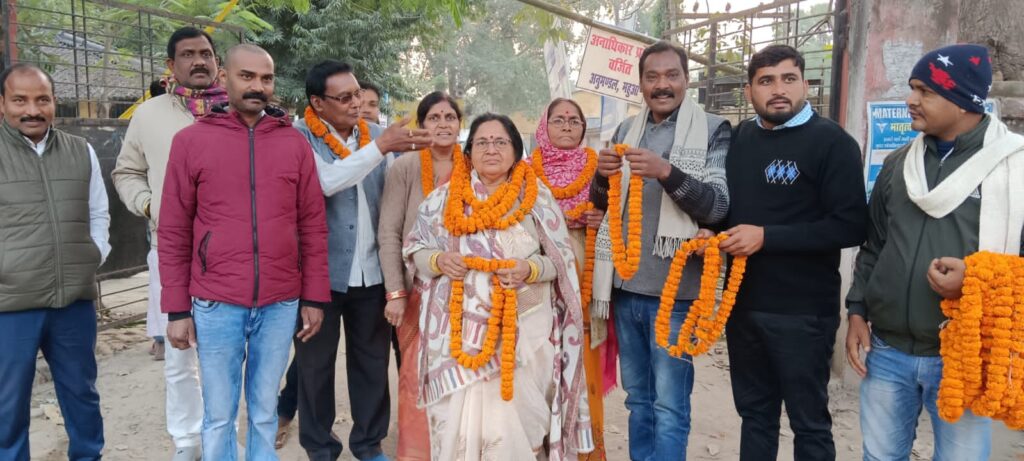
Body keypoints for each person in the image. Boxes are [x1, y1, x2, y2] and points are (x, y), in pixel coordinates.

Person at [846, 43, 1024, 460]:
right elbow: (874, 245)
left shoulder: (1014, 169)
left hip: (963, 354)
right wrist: (856, 311)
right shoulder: (898, 164)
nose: (910, 100)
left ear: (963, 101)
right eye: (912, 88)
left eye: (925, 90)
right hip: (887, 349)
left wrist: (975, 280)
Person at [159, 44, 331, 461]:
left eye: (266, 78)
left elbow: (312, 225)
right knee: (218, 415)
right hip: (216, 301)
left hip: (280, 301)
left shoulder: (293, 144)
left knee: (264, 411)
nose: (258, 86)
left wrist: (313, 296)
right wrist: (177, 309)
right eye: (247, 76)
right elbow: (174, 230)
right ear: (224, 78)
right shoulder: (191, 142)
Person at [403, 113, 593, 461]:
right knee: (461, 432)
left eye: (500, 142)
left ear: (516, 151)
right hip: (458, 340)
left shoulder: (537, 199)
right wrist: (439, 260)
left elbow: (562, 263)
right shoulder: (441, 200)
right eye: (482, 142)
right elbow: (415, 250)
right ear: (469, 152)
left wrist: (529, 268)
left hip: (525, 336)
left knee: (519, 425)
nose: (491, 149)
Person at [720, 44, 868, 461]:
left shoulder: (832, 143)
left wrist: (767, 237)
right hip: (743, 307)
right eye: (766, 81)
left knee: (809, 422)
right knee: (755, 416)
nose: (778, 90)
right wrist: (709, 232)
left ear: (805, 84)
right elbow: (728, 209)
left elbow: (851, 226)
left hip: (803, 313)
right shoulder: (739, 140)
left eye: (789, 79)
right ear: (750, 90)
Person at [589, 40, 730, 461]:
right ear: (641, 83)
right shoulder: (625, 131)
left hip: (677, 295)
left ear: (687, 79)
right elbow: (602, 205)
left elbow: (718, 206)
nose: (662, 85)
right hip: (625, 287)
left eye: (672, 75)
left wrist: (667, 172)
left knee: (669, 406)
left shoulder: (714, 128)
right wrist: (600, 176)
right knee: (638, 400)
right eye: (652, 77)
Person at [292, 60, 430, 461]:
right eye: (345, 98)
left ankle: (368, 444)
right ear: (317, 103)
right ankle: (320, 448)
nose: (356, 104)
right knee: (314, 367)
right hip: (319, 276)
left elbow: (397, 192)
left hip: (372, 272)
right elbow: (325, 182)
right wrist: (382, 147)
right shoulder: (298, 136)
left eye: (358, 95)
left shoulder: (375, 135)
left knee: (372, 364)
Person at [112, 26, 227, 461]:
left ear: (217, 61)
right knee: (179, 353)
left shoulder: (237, 112)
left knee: (229, 353)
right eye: (188, 54)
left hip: (229, 254)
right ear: (171, 64)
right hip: (171, 250)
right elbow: (127, 171)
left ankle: (222, 438)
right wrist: (149, 205)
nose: (199, 61)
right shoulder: (149, 114)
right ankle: (187, 441)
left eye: (206, 53)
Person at [0, 63, 110, 461]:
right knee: (8, 404)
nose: (32, 110)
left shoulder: (81, 150)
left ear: (53, 102)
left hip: (73, 302)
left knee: (82, 394)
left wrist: (94, 255)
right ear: (2, 104)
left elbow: (99, 212)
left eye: (42, 99)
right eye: (20, 100)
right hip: (10, 305)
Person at [379, 91, 463, 461]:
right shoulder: (406, 167)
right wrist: (395, 293)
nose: (443, 124)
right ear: (422, 123)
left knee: (462, 378)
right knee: (415, 376)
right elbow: (389, 232)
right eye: (434, 117)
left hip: (466, 292)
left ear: (460, 124)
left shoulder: (475, 164)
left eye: (450, 117)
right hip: (417, 291)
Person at [529, 97, 610, 460]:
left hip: (586, 271)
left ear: (583, 127)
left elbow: (622, 216)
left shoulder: (599, 169)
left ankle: (586, 451)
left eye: (574, 120)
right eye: (558, 119)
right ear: (544, 127)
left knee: (582, 362)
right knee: (540, 363)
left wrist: (602, 220)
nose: (566, 126)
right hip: (538, 276)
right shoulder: (525, 170)